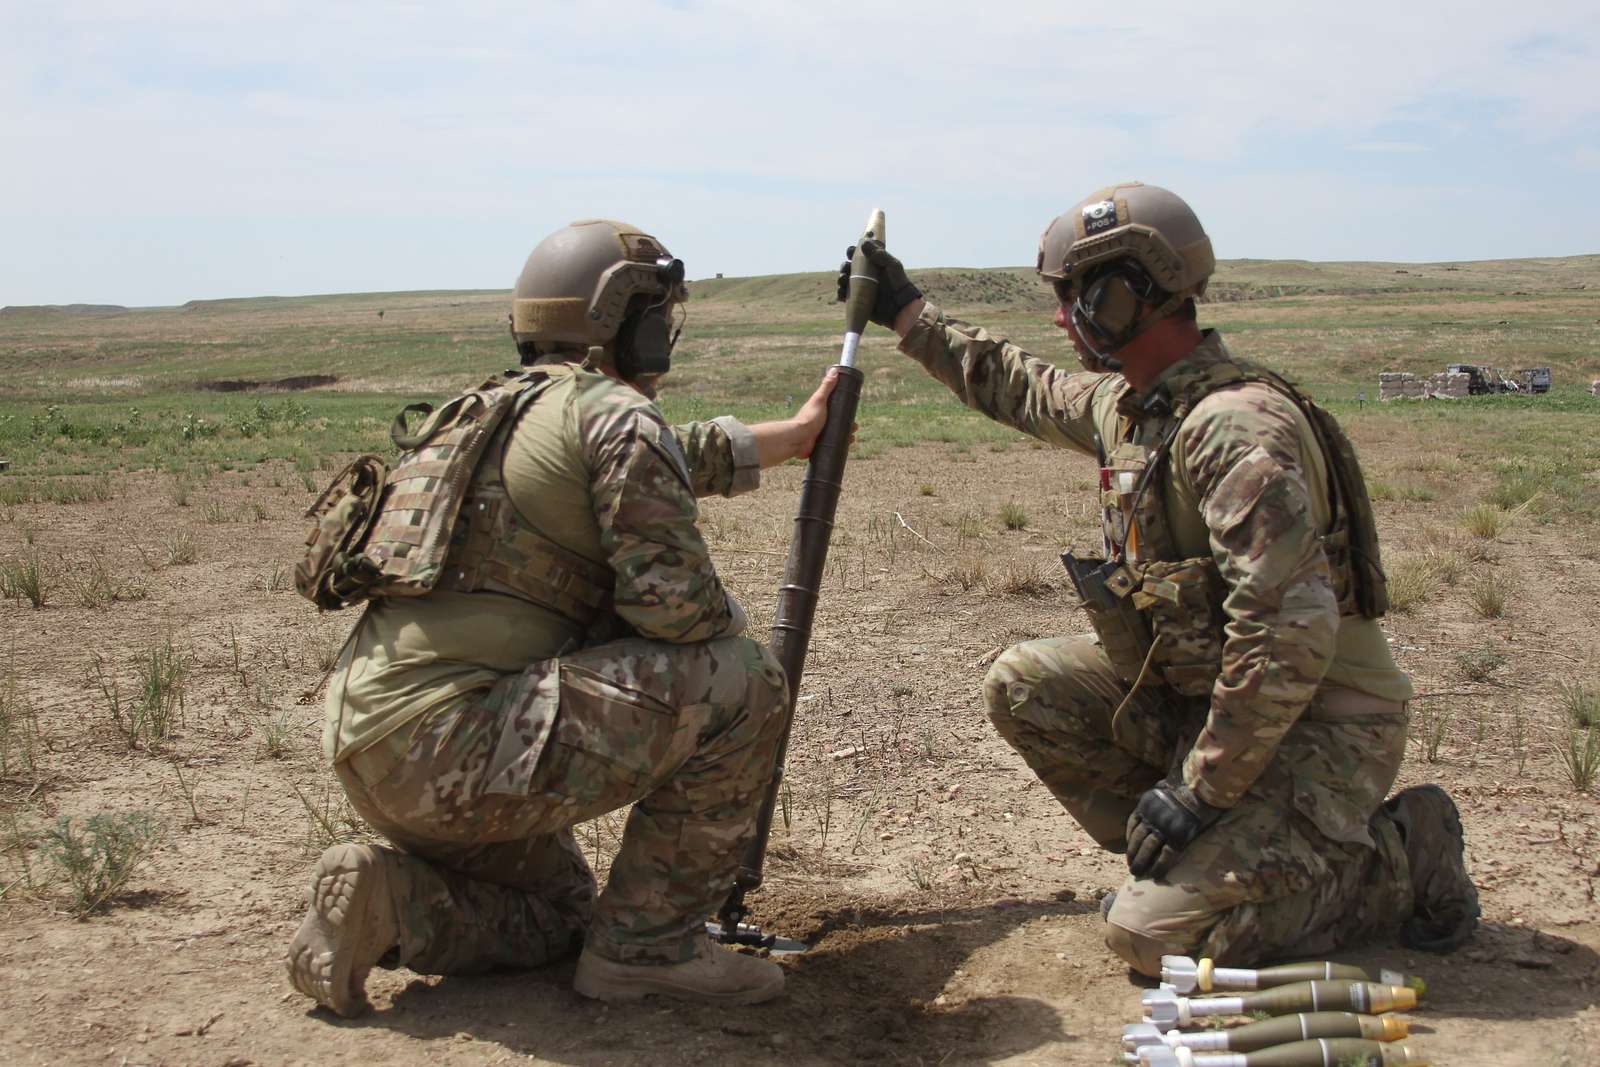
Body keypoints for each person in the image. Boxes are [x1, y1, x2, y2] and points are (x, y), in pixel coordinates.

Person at [841, 183, 1479, 976]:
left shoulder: (1235, 428)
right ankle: (1195, 864)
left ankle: (1400, 853)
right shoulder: (1138, 405)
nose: (1059, 318)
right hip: (1213, 705)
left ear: (1122, 296)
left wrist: (1200, 791)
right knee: (1025, 684)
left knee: (1157, 939)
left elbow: (1287, 634)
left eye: (1072, 297)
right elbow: (1019, 385)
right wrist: (906, 310)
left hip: (1318, 723)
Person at [287, 218, 839, 1014]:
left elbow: (652, 455)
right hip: (459, 747)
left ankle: (391, 900)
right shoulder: (615, 413)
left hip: (380, 749)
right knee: (744, 680)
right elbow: (675, 608)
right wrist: (729, 619)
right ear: (628, 322)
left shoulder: (487, 412)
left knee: (559, 915)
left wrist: (783, 438)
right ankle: (650, 949)